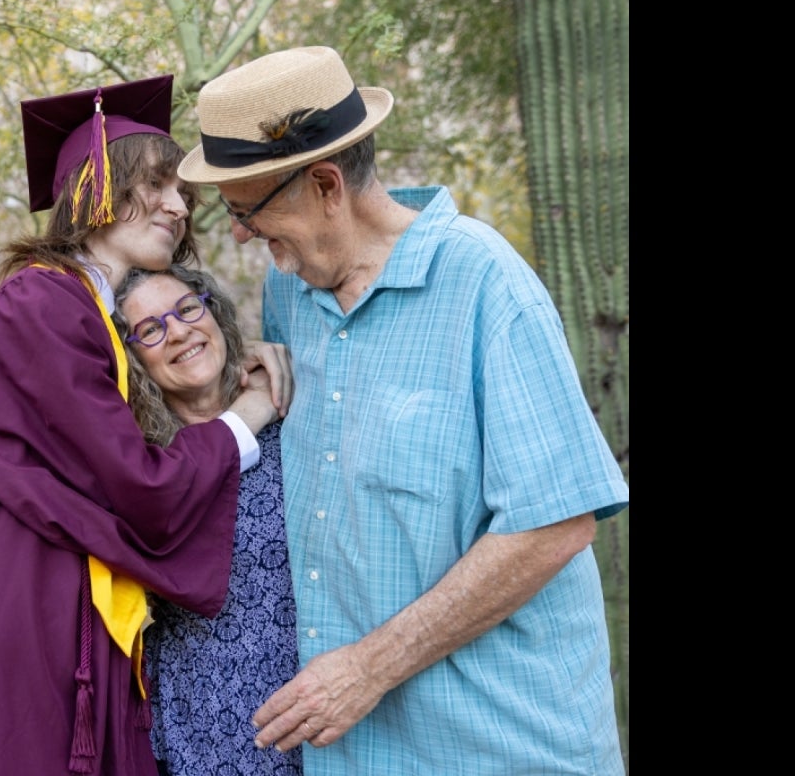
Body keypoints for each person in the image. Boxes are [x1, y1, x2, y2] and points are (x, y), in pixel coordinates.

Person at [177, 46, 630, 775]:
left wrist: (366, 669)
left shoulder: (485, 284)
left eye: (247, 211)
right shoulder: (289, 292)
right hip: (355, 754)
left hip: (499, 748)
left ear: (326, 185)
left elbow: (556, 522)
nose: (238, 234)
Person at [0, 74, 293, 776]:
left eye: (182, 192)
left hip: (50, 628)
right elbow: (140, 488)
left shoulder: (81, 314)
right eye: (160, 184)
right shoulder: (42, 307)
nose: (180, 206)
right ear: (99, 185)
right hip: (6, 635)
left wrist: (236, 368)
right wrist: (251, 413)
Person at [113, 264, 303, 776]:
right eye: (150, 330)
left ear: (212, 312)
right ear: (132, 358)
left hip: (329, 697)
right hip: (208, 719)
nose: (177, 330)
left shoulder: (298, 414)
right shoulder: (146, 466)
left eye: (187, 309)